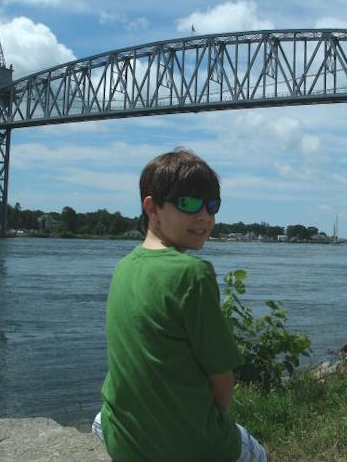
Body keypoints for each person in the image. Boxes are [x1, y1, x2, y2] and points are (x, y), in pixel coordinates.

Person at [93, 149, 268, 461]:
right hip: (191, 449)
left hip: (124, 441)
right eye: (188, 203)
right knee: (257, 453)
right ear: (152, 207)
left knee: (99, 417)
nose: (204, 216)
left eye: (212, 205)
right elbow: (222, 383)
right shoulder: (193, 274)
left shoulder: (124, 267)